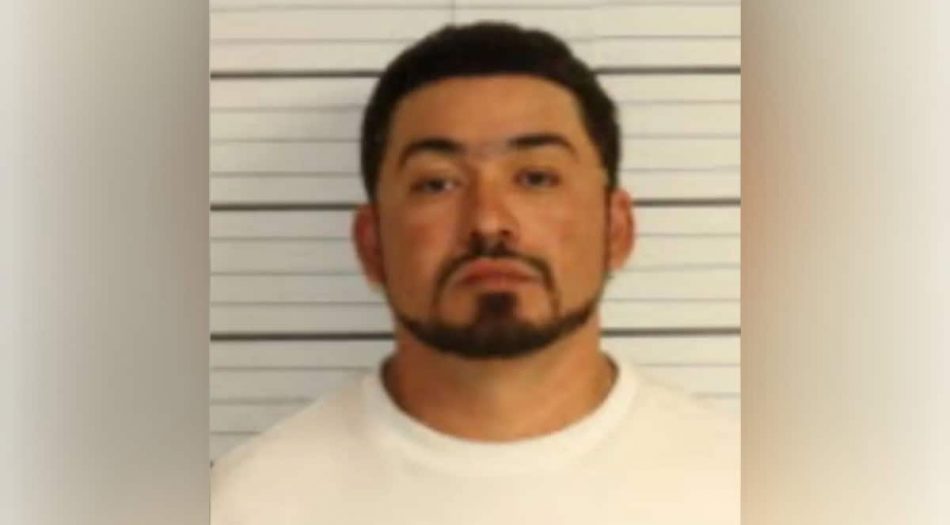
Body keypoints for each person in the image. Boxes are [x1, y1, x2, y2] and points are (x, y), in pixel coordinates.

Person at [211, 22, 738, 524]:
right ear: (371, 245)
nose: (487, 221)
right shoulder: (243, 505)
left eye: (536, 178)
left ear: (616, 229)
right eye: (437, 184)